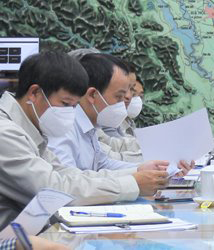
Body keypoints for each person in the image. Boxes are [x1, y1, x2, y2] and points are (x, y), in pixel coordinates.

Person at [0, 51, 168, 229]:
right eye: (65, 104)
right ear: (34, 93)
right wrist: (132, 183)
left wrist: (137, 175)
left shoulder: (31, 130)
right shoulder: (6, 133)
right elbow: (53, 189)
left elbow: (68, 173)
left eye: (74, 106)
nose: (70, 114)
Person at [47, 53, 192, 174]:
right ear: (92, 95)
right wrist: (137, 179)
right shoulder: (64, 129)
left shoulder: (90, 128)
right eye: (119, 96)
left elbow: (103, 164)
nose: (125, 101)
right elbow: (70, 183)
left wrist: (151, 170)